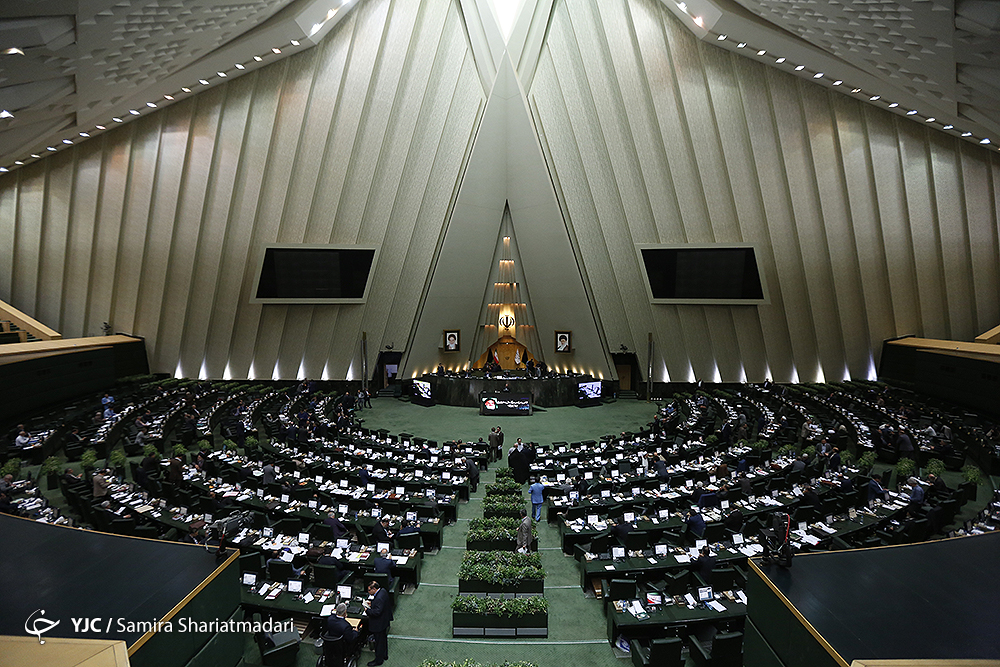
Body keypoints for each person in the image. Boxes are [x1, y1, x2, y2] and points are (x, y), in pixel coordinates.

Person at [362, 580, 392, 666]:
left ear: (374, 589)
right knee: (383, 640)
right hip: (384, 621)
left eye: (369, 590)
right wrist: (372, 604)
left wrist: (367, 610)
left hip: (379, 624)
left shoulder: (379, 598)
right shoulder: (383, 591)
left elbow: (377, 612)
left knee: (378, 643)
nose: (368, 592)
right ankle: (384, 655)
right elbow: (380, 605)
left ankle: (378, 660)